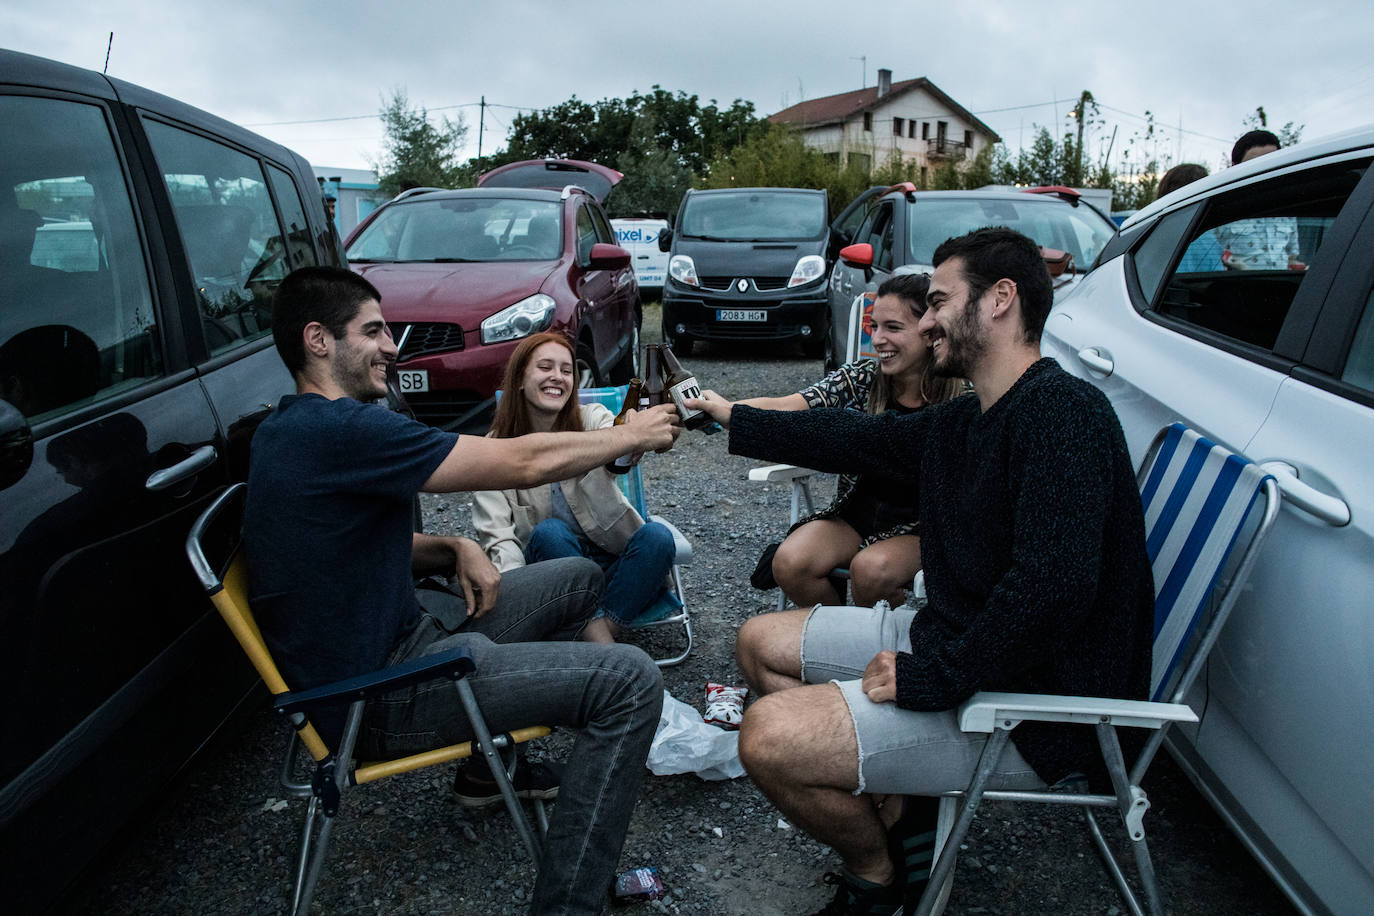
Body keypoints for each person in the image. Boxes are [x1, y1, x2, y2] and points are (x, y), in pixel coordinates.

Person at [687, 227, 1154, 916]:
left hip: (1035, 701)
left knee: (767, 735)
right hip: (963, 645)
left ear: (1000, 300)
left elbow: (1052, 592)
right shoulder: (974, 416)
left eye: (938, 301)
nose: (927, 319)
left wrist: (930, 679)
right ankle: (902, 812)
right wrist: (729, 415)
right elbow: (858, 435)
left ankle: (877, 875)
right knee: (759, 641)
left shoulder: (1064, 415)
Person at [243, 266, 680, 914]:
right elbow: (519, 460)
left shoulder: (295, 428)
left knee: (577, 576)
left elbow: (342, 541)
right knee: (632, 681)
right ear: (317, 340)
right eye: (373, 331)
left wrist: (452, 547)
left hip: (405, 644)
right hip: (383, 693)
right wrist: (630, 434)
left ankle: (486, 767)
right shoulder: (343, 431)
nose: (392, 345)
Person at [737, 273, 962, 607]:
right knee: (789, 562)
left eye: (893, 328)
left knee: (869, 570)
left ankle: (892, 648)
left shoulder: (959, 398)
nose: (878, 339)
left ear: (929, 331)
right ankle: (838, 643)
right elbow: (792, 406)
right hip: (856, 515)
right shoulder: (862, 378)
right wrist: (723, 409)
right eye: (874, 327)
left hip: (923, 528)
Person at [472, 331, 677, 644]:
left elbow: (620, 444)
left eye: (566, 371)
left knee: (657, 537)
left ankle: (594, 631)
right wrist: (516, 604)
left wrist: (641, 435)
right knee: (549, 532)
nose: (557, 377)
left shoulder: (591, 419)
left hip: (613, 566)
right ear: (520, 380)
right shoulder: (494, 451)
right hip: (553, 575)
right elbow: (498, 538)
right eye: (545, 367)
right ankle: (606, 647)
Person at [1217, 130, 1304, 270]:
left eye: (1271, 163)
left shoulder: (1287, 206)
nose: (1265, 171)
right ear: (1235, 167)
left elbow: (1292, 259)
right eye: (1255, 165)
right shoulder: (1221, 207)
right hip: (1237, 288)